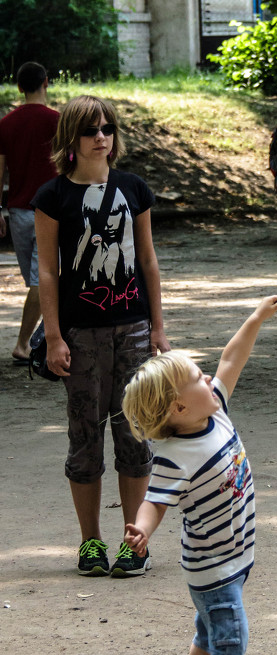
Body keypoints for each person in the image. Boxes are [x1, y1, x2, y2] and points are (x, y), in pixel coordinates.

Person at [121, 296, 277, 655]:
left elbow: (231, 358)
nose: (209, 378)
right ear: (177, 409)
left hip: (235, 553)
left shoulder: (213, 406)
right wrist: (143, 529)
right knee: (230, 634)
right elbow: (154, 502)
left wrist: (255, 318)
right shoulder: (175, 458)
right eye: (197, 377)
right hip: (212, 567)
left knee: (207, 629)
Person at [32, 95, 171, 577]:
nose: (101, 136)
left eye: (107, 128)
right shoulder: (52, 197)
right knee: (85, 438)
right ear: (72, 137)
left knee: (134, 434)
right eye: (91, 129)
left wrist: (157, 326)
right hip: (79, 333)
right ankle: (90, 543)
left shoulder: (134, 189)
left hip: (132, 328)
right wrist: (52, 336)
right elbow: (47, 271)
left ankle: (135, 541)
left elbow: (148, 260)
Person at [0, 62, 59, 363]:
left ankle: (47, 339)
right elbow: (71, 162)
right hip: (51, 211)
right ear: (46, 83)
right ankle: (25, 343)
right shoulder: (57, 121)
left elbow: (0, 170)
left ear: (19, 87)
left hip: (18, 213)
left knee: (39, 278)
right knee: (42, 280)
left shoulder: (6, 123)